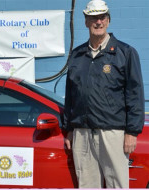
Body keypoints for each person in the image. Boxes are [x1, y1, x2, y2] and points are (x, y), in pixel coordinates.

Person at [62, 0, 144, 188]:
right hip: (82, 133)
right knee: (87, 185)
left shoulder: (125, 53)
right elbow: (70, 95)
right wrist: (68, 129)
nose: (98, 22)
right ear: (86, 21)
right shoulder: (77, 55)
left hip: (112, 133)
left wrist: (132, 132)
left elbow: (135, 93)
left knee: (117, 185)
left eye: (102, 17)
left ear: (108, 20)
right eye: (93, 18)